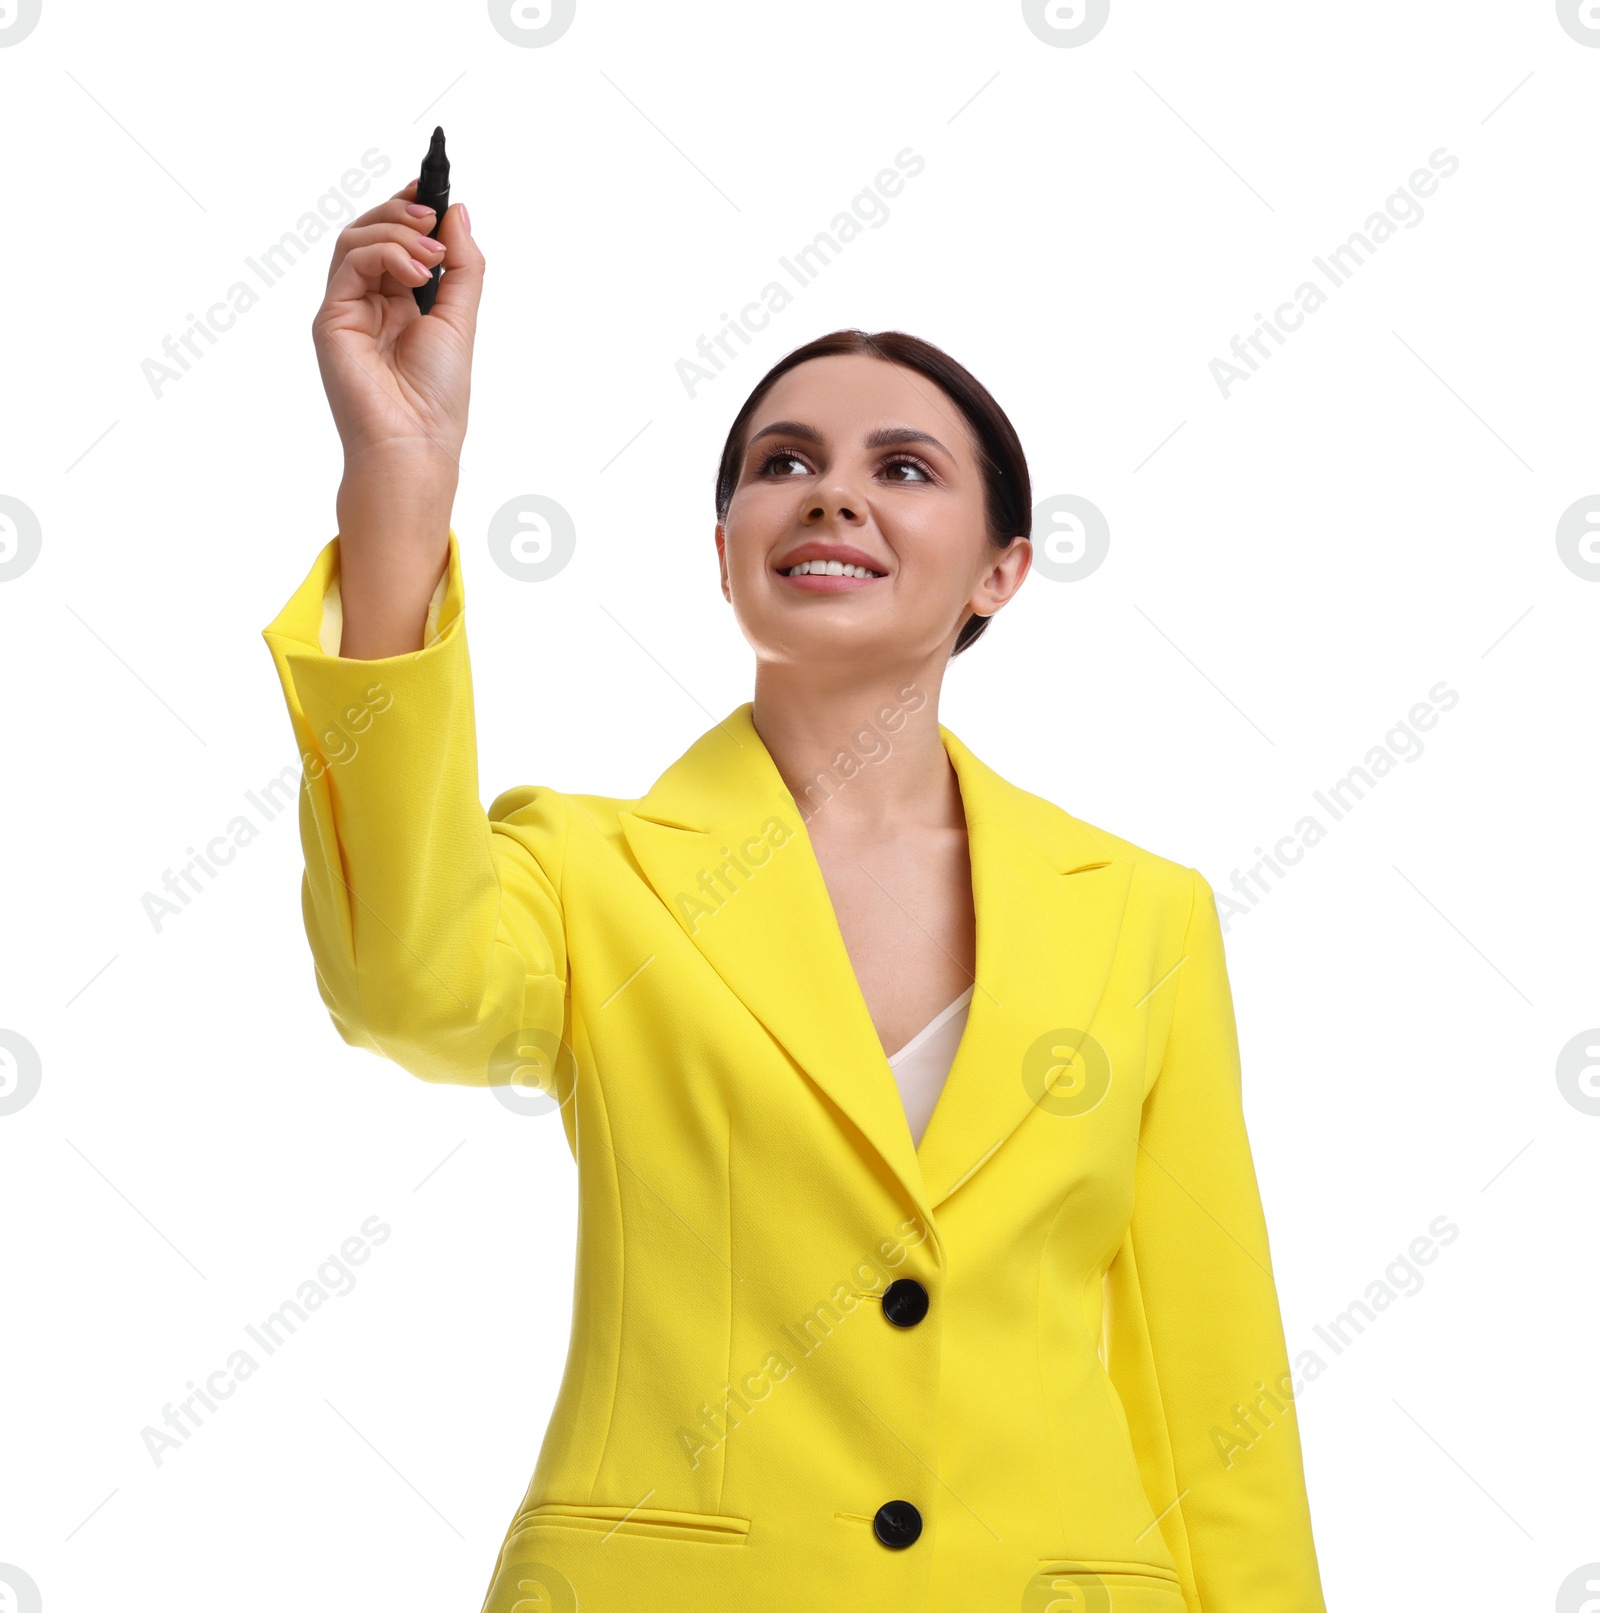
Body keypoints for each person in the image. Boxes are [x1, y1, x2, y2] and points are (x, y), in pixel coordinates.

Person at [262, 178, 1329, 1613]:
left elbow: (1216, 1389)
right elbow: (402, 985)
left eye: (904, 469)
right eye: (782, 461)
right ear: (725, 554)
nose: (831, 489)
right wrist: (399, 482)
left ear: (1003, 571)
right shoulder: (590, 872)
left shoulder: (1145, 913)